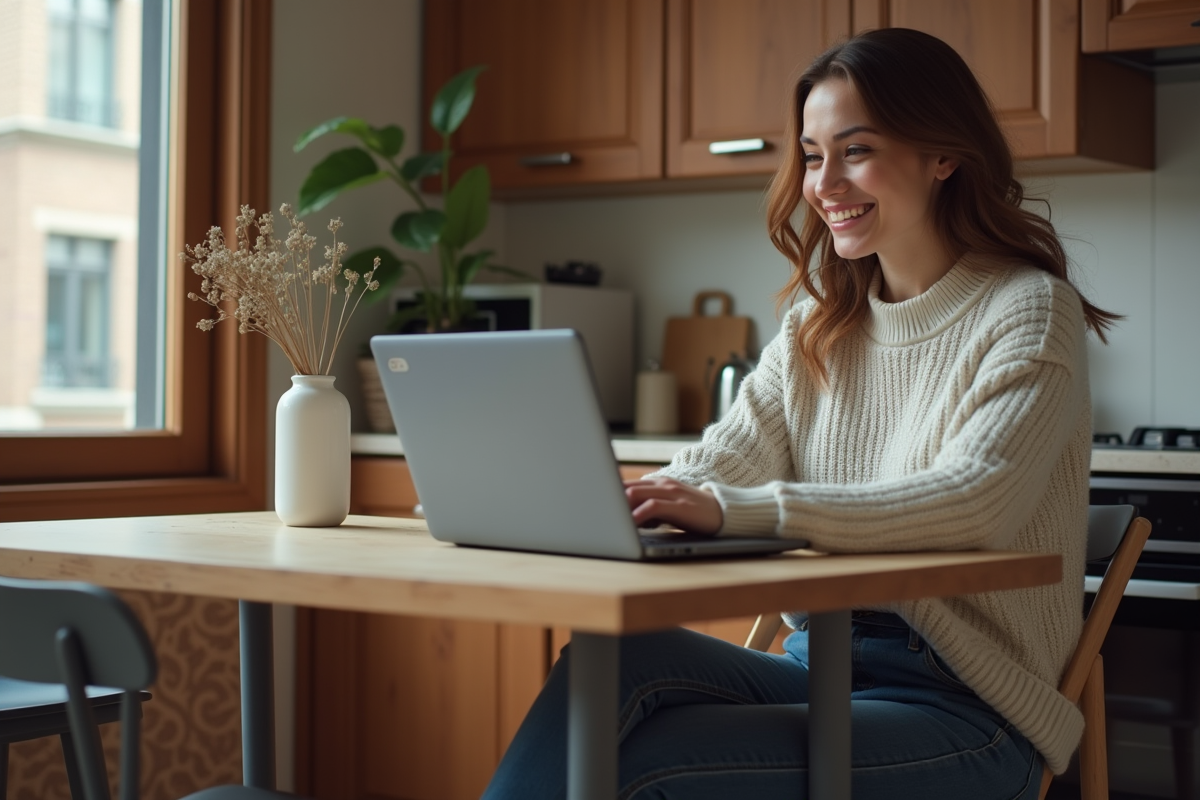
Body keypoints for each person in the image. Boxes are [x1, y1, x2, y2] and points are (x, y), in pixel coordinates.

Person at [481, 27, 1118, 800]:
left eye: (856, 150)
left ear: (942, 154)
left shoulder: (1027, 308)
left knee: (632, 766)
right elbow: (723, 463)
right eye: (814, 156)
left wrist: (737, 512)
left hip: (968, 709)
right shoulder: (821, 321)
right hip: (819, 667)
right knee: (604, 664)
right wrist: (614, 503)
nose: (825, 183)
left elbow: (975, 499)